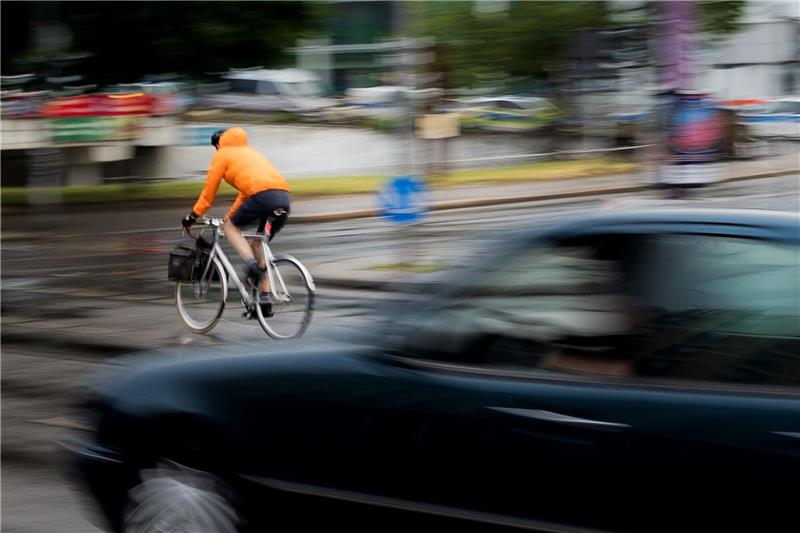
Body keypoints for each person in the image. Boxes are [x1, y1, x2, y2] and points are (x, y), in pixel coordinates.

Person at [181, 127, 290, 315]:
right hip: (283, 198)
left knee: (230, 229)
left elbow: (209, 191)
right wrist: (230, 216)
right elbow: (245, 193)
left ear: (218, 144)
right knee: (258, 244)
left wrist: (193, 215)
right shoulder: (249, 152)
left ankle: (251, 267)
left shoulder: (222, 155)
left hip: (262, 197)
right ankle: (265, 301)